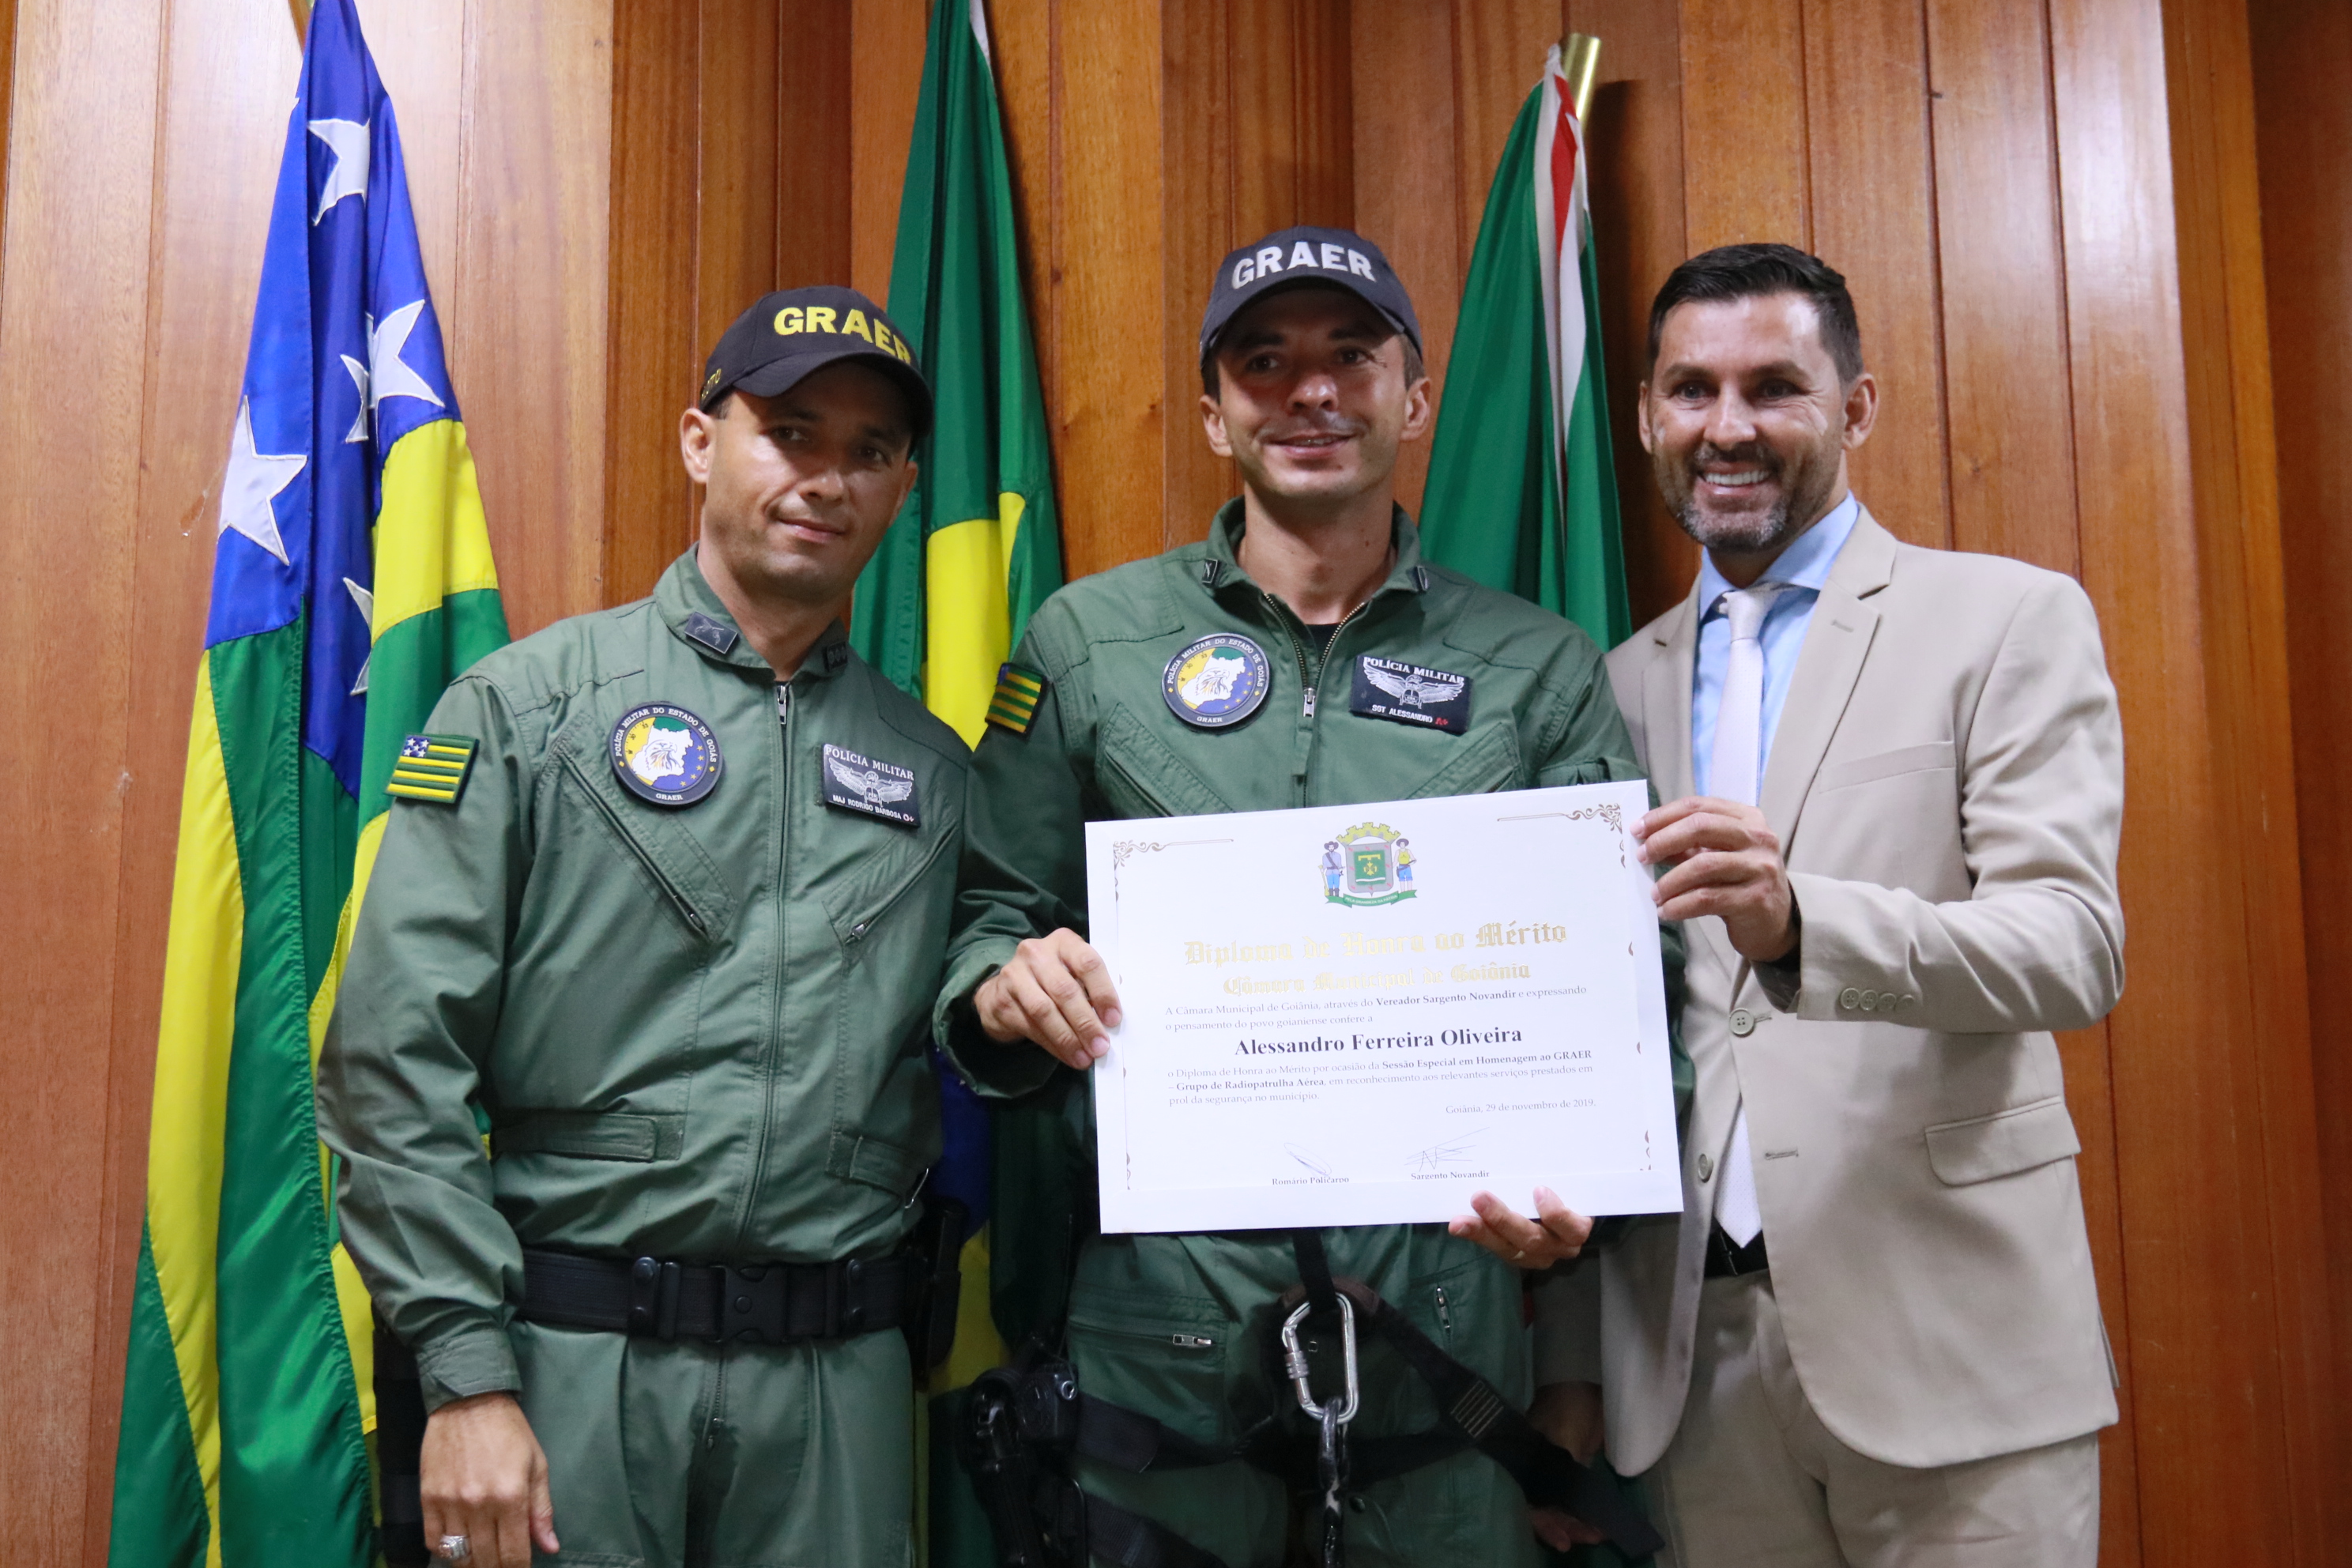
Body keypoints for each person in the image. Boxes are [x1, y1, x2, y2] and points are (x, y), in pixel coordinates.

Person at [934, 226, 1651, 1568]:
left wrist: (1587, 1197)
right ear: (1216, 415)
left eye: (1350, 357)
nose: (1310, 391)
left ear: (1414, 400)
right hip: (1155, 1330)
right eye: (1264, 362)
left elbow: (1620, 987)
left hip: (1443, 1329)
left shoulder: (1537, 669)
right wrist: (1003, 985)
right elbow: (990, 912)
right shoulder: (1088, 645)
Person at [318, 288, 972, 1568]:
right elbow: (393, 1060)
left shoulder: (936, 771)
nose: (826, 478)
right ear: (699, 443)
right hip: (571, 1365)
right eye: (791, 432)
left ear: (902, 490)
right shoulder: (530, 709)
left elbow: (989, 990)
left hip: (834, 1396)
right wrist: (465, 1375)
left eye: (870, 450)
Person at [1500, 243, 2124, 1565]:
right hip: (1691, 1375)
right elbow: (1594, 1045)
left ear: (1857, 405)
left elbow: (2073, 948)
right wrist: (1574, 1367)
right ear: (1646, 417)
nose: (1727, 426)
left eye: (1774, 386)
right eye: (1692, 390)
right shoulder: (1605, 688)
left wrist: (1803, 926)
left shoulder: (2005, 620)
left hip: (1954, 1354)